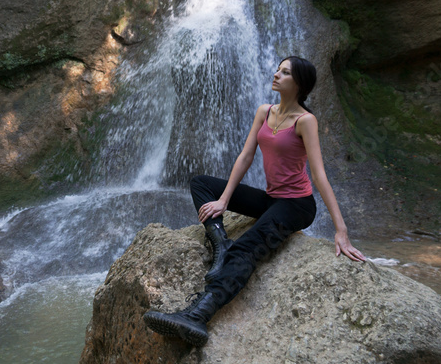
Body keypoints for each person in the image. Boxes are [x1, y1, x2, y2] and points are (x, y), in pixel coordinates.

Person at [143, 56, 366, 347]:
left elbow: (319, 175)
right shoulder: (265, 111)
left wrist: (341, 230)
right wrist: (224, 200)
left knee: (246, 247)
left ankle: (198, 315)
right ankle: (221, 243)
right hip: (270, 199)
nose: (276, 74)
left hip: (296, 205)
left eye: (285, 73)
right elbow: (246, 156)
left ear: (299, 84)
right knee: (201, 183)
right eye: (277, 69)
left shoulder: (305, 121)